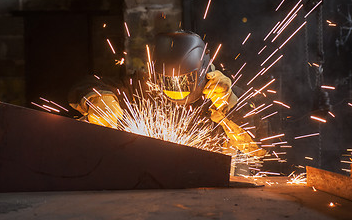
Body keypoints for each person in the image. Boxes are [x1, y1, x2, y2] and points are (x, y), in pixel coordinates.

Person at [68, 31, 266, 157]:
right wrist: (98, 99)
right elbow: (86, 83)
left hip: (213, 189)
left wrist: (229, 106)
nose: (175, 88)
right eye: (167, 80)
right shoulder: (144, 86)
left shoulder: (223, 93)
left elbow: (261, 145)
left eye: (183, 80)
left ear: (202, 72)